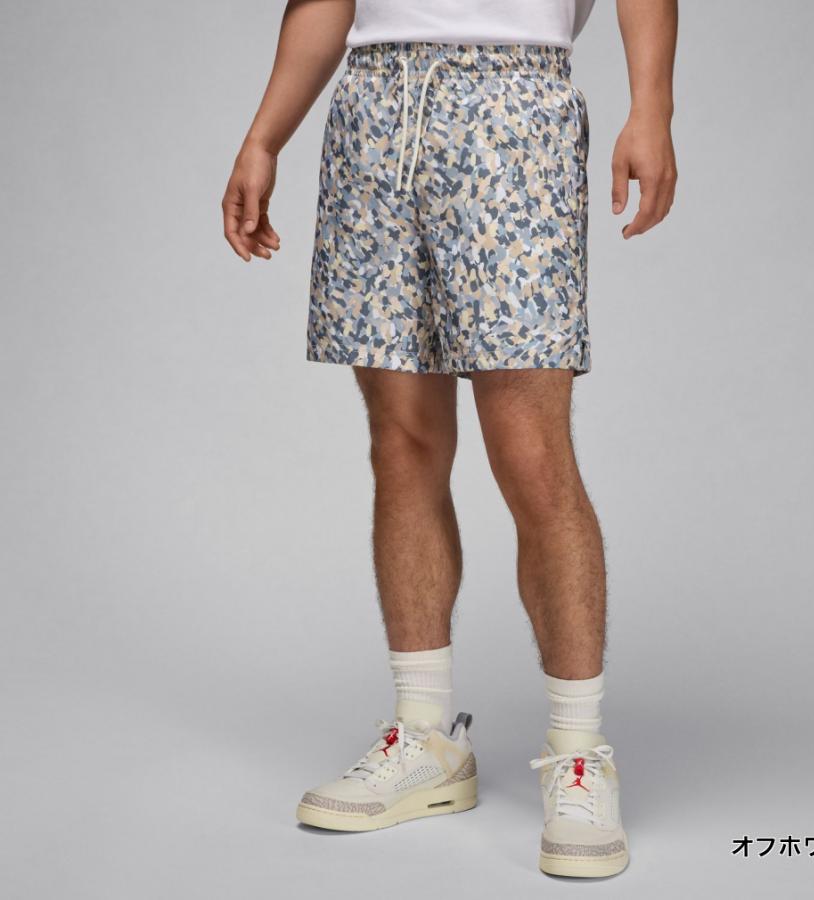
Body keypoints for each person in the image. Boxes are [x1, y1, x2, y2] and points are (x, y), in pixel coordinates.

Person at [222, 0, 677, 878]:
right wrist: (264, 136)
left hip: (516, 103)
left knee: (532, 456)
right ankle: (427, 738)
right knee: (403, 443)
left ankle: (580, 754)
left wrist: (651, 106)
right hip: (372, 107)